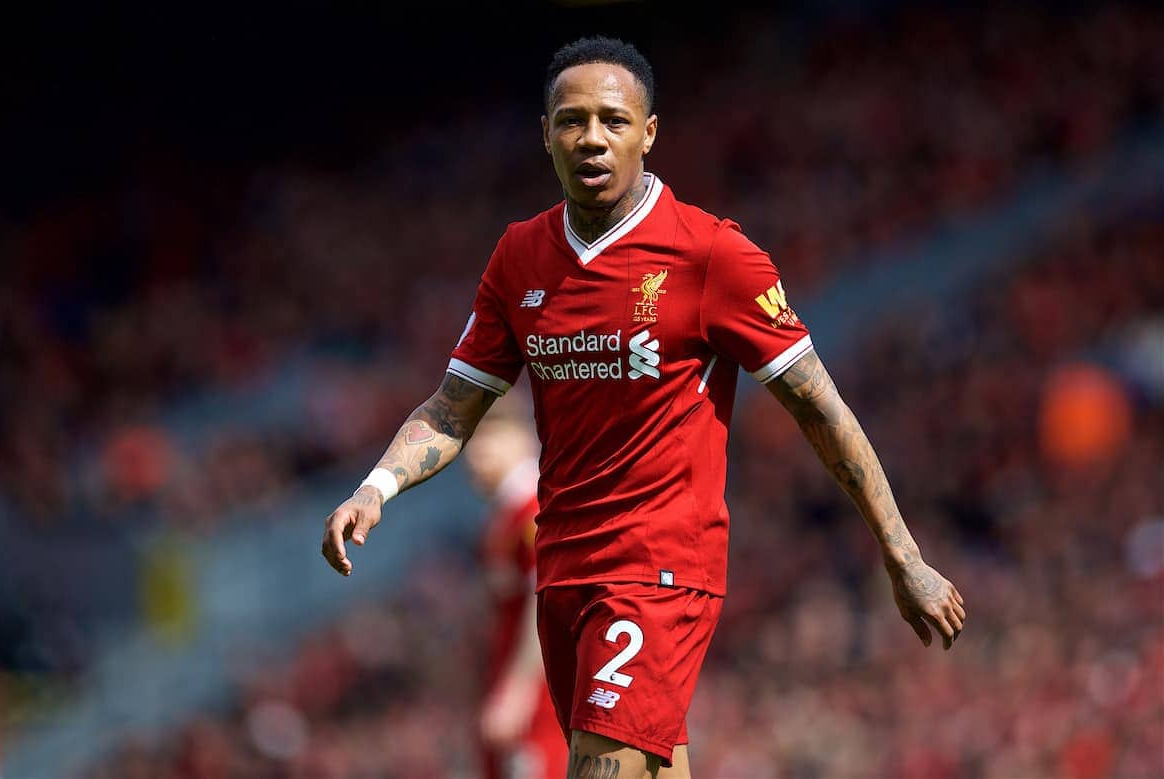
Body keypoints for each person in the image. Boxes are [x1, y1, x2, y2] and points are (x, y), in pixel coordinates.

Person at [322, 36, 966, 779]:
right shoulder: (520, 257)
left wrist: (902, 554)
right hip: (563, 568)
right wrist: (376, 486)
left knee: (603, 769)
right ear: (545, 134)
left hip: (658, 568)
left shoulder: (710, 254)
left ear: (649, 132)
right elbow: (453, 406)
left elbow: (821, 408)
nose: (591, 137)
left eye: (613, 120)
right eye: (571, 120)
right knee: (648, 769)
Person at [464, 394, 570, 779]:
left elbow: (546, 598)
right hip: (510, 683)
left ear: (518, 437)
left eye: (483, 438)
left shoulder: (535, 508)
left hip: (540, 700)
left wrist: (519, 689)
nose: (472, 455)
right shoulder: (505, 515)